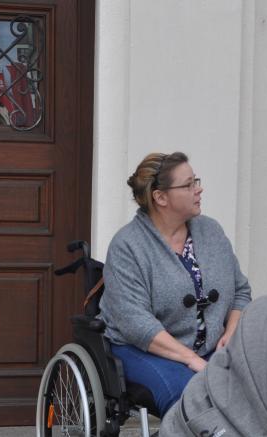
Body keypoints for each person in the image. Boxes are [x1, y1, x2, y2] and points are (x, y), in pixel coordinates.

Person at [99, 152, 252, 416]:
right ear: (160, 197)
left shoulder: (210, 231)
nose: (199, 189)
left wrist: (231, 332)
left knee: (260, 384)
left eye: (196, 181)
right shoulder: (127, 246)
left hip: (210, 348)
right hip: (144, 349)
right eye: (189, 184)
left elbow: (240, 291)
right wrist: (192, 360)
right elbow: (137, 324)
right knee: (192, 395)